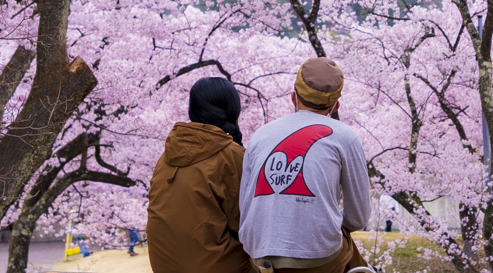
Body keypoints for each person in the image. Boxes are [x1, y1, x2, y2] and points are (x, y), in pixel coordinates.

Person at [240, 58, 372, 273]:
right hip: (318, 259)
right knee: (344, 241)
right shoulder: (346, 137)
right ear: (336, 106)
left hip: (259, 255)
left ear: (293, 98)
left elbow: (246, 207)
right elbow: (357, 219)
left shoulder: (260, 135)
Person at [147, 77, 252, 273]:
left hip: (164, 266)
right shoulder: (231, 156)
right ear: (233, 108)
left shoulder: (167, 155)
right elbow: (246, 225)